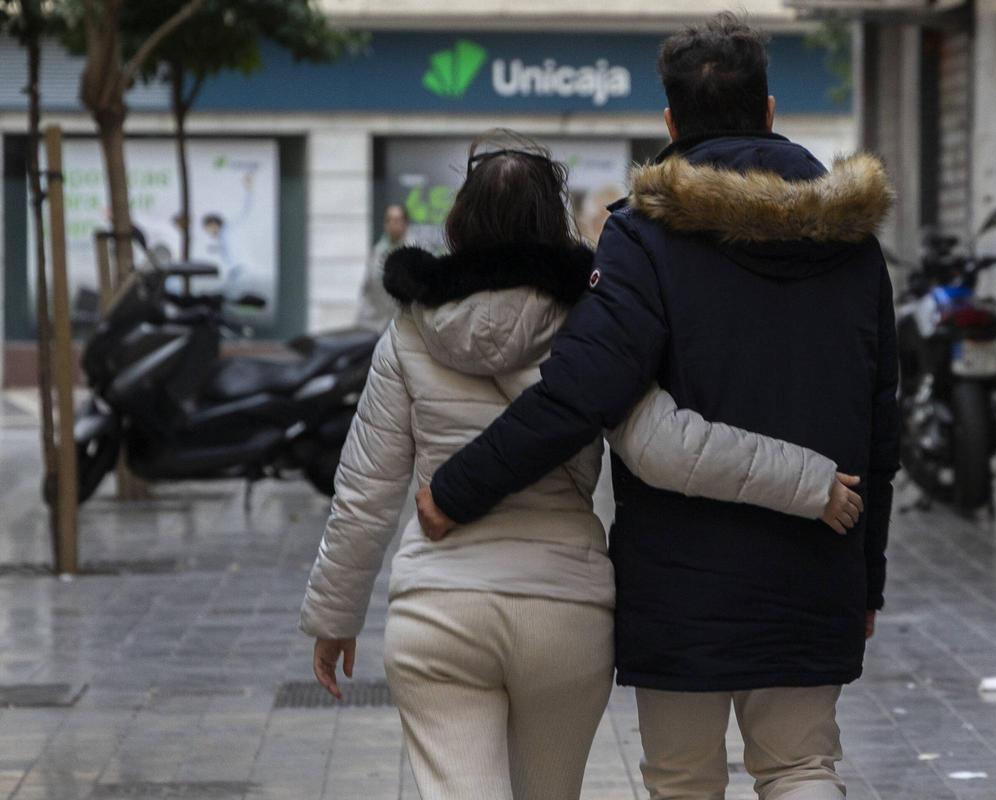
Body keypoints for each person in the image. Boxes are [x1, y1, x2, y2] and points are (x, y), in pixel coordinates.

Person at [416, 14, 899, 800]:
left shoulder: (644, 238)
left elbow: (583, 388)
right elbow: (884, 424)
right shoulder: (851, 240)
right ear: (770, 112)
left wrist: (455, 490)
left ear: (671, 123)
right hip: (818, 560)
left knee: (681, 782)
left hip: (682, 585)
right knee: (803, 767)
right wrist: (866, 578)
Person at [298, 131, 865, 800]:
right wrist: (810, 481)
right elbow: (665, 447)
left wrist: (334, 618)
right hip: (563, 614)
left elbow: (366, 491)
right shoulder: (593, 331)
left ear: (459, 221)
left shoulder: (409, 332)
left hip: (439, 609)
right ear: (554, 222)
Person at [356, 204, 409, 332]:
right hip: (373, 325)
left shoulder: (414, 253)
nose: (393, 224)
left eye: (397, 220)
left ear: (405, 223)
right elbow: (366, 287)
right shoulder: (376, 252)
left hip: (403, 328)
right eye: (389, 220)